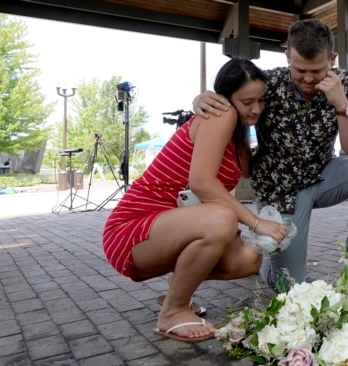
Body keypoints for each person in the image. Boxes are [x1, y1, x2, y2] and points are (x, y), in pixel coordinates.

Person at [102, 57, 287, 343]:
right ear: (225, 99)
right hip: (132, 228)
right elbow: (202, 183)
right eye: (247, 101)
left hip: (171, 227)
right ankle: (172, 312)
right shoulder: (221, 114)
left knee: (249, 258)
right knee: (222, 219)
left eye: (262, 100)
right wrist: (255, 221)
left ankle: (178, 289)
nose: (257, 109)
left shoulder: (238, 132)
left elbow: (249, 170)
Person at [192, 18, 348, 291]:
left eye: (316, 71)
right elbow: (233, 97)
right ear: (287, 57)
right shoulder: (268, 85)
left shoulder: (347, 84)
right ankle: (268, 265)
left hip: (323, 175)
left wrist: (341, 105)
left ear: (332, 59)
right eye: (299, 69)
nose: (307, 79)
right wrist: (200, 99)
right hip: (280, 189)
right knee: (290, 287)